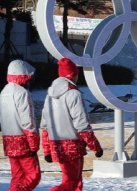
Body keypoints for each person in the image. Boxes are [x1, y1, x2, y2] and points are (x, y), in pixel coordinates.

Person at [41, 58, 103, 191]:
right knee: (71, 182)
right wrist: (95, 147)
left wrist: (47, 150)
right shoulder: (74, 94)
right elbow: (82, 124)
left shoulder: (49, 96)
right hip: (73, 145)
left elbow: (45, 126)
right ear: (73, 75)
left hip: (56, 144)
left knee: (73, 180)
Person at [0, 60, 41, 191]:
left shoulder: (3, 92)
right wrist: (34, 143)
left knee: (17, 176)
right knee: (33, 175)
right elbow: (28, 120)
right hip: (23, 140)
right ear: (24, 75)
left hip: (8, 140)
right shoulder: (22, 93)